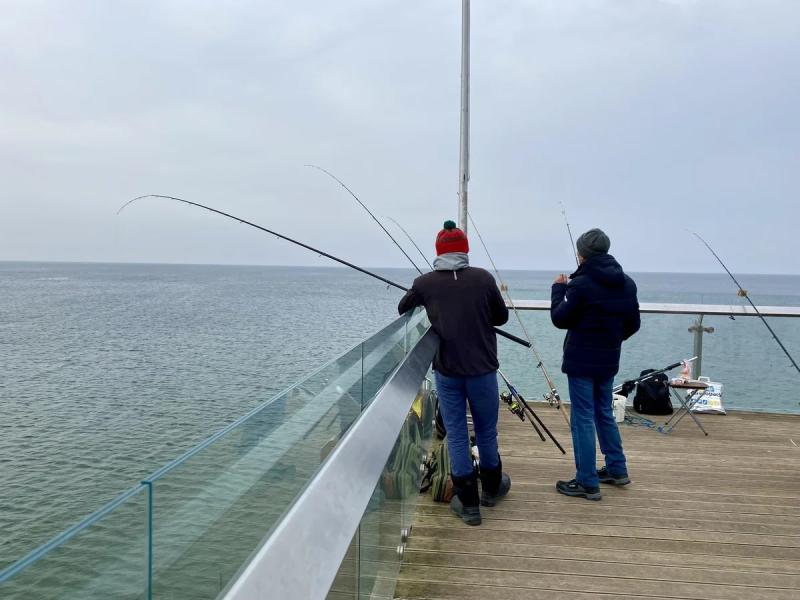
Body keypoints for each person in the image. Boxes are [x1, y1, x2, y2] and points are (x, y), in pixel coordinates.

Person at [398, 220, 510, 525]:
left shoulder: (426, 283)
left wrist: (424, 296)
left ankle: (468, 503)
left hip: (447, 371)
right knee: (487, 430)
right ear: (465, 250)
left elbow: (402, 307)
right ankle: (491, 489)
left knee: (457, 432)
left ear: (438, 252)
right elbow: (501, 317)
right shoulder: (483, 279)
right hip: (483, 370)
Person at [550, 228, 640, 501]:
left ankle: (587, 481)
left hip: (580, 362)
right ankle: (617, 468)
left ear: (583, 254)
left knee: (583, 419)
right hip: (608, 359)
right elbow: (633, 324)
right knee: (604, 412)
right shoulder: (626, 283)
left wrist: (558, 289)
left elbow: (560, 318)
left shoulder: (581, 284)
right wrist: (611, 339)